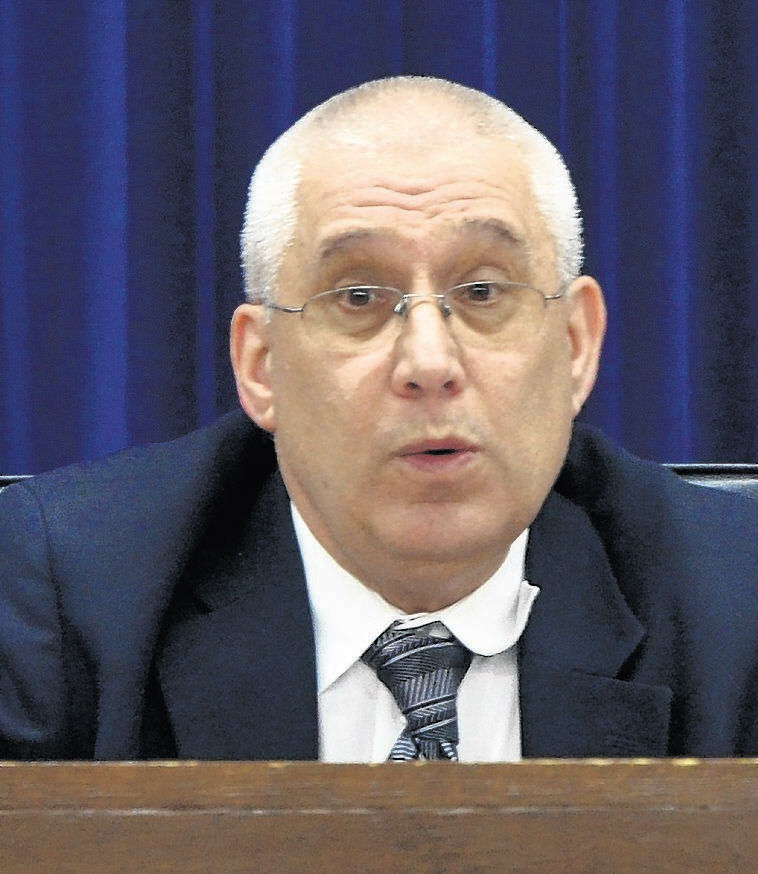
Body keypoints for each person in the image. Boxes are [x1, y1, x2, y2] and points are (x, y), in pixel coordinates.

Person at [0, 76, 755, 761]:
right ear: (261, 365)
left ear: (575, 344)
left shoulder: (735, 602)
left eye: (483, 293)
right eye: (358, 297)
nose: (429, 361)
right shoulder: (70, 600)